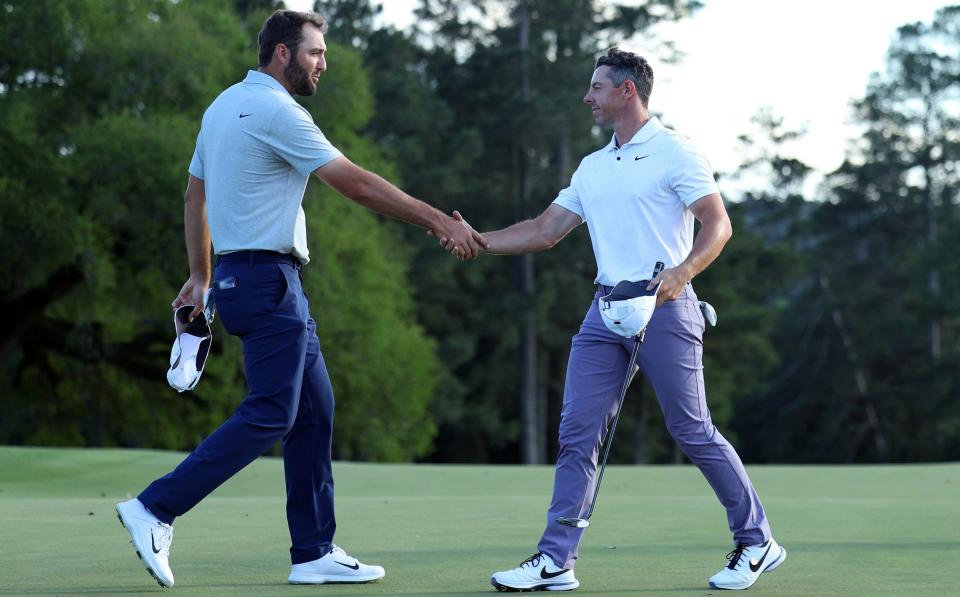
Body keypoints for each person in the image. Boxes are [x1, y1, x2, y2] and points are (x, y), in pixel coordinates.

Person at [115, 9, 485, 589]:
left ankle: (313, 550)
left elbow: (195, 197)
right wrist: (438, 221)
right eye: (315, 51)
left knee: (314, 410)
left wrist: (201, 276)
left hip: (247, 279)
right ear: (282, 54)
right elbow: (355, 182)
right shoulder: (278, 111)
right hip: (268, 282)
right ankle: (155, 507)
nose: (323, 62)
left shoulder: (221, 107)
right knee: (273, 411)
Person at [485, 48, 785, 592]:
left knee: (691, 430)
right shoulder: (593, 166)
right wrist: (479, 241)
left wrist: (683, 271)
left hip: (667, 306)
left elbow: (718, 225)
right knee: (577, 433)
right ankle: (556, 560)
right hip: (604, 311)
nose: (588, 97)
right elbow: (544, 230)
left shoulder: (675, 151)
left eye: (597, 87)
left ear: (628, 91)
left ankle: (757, 541)